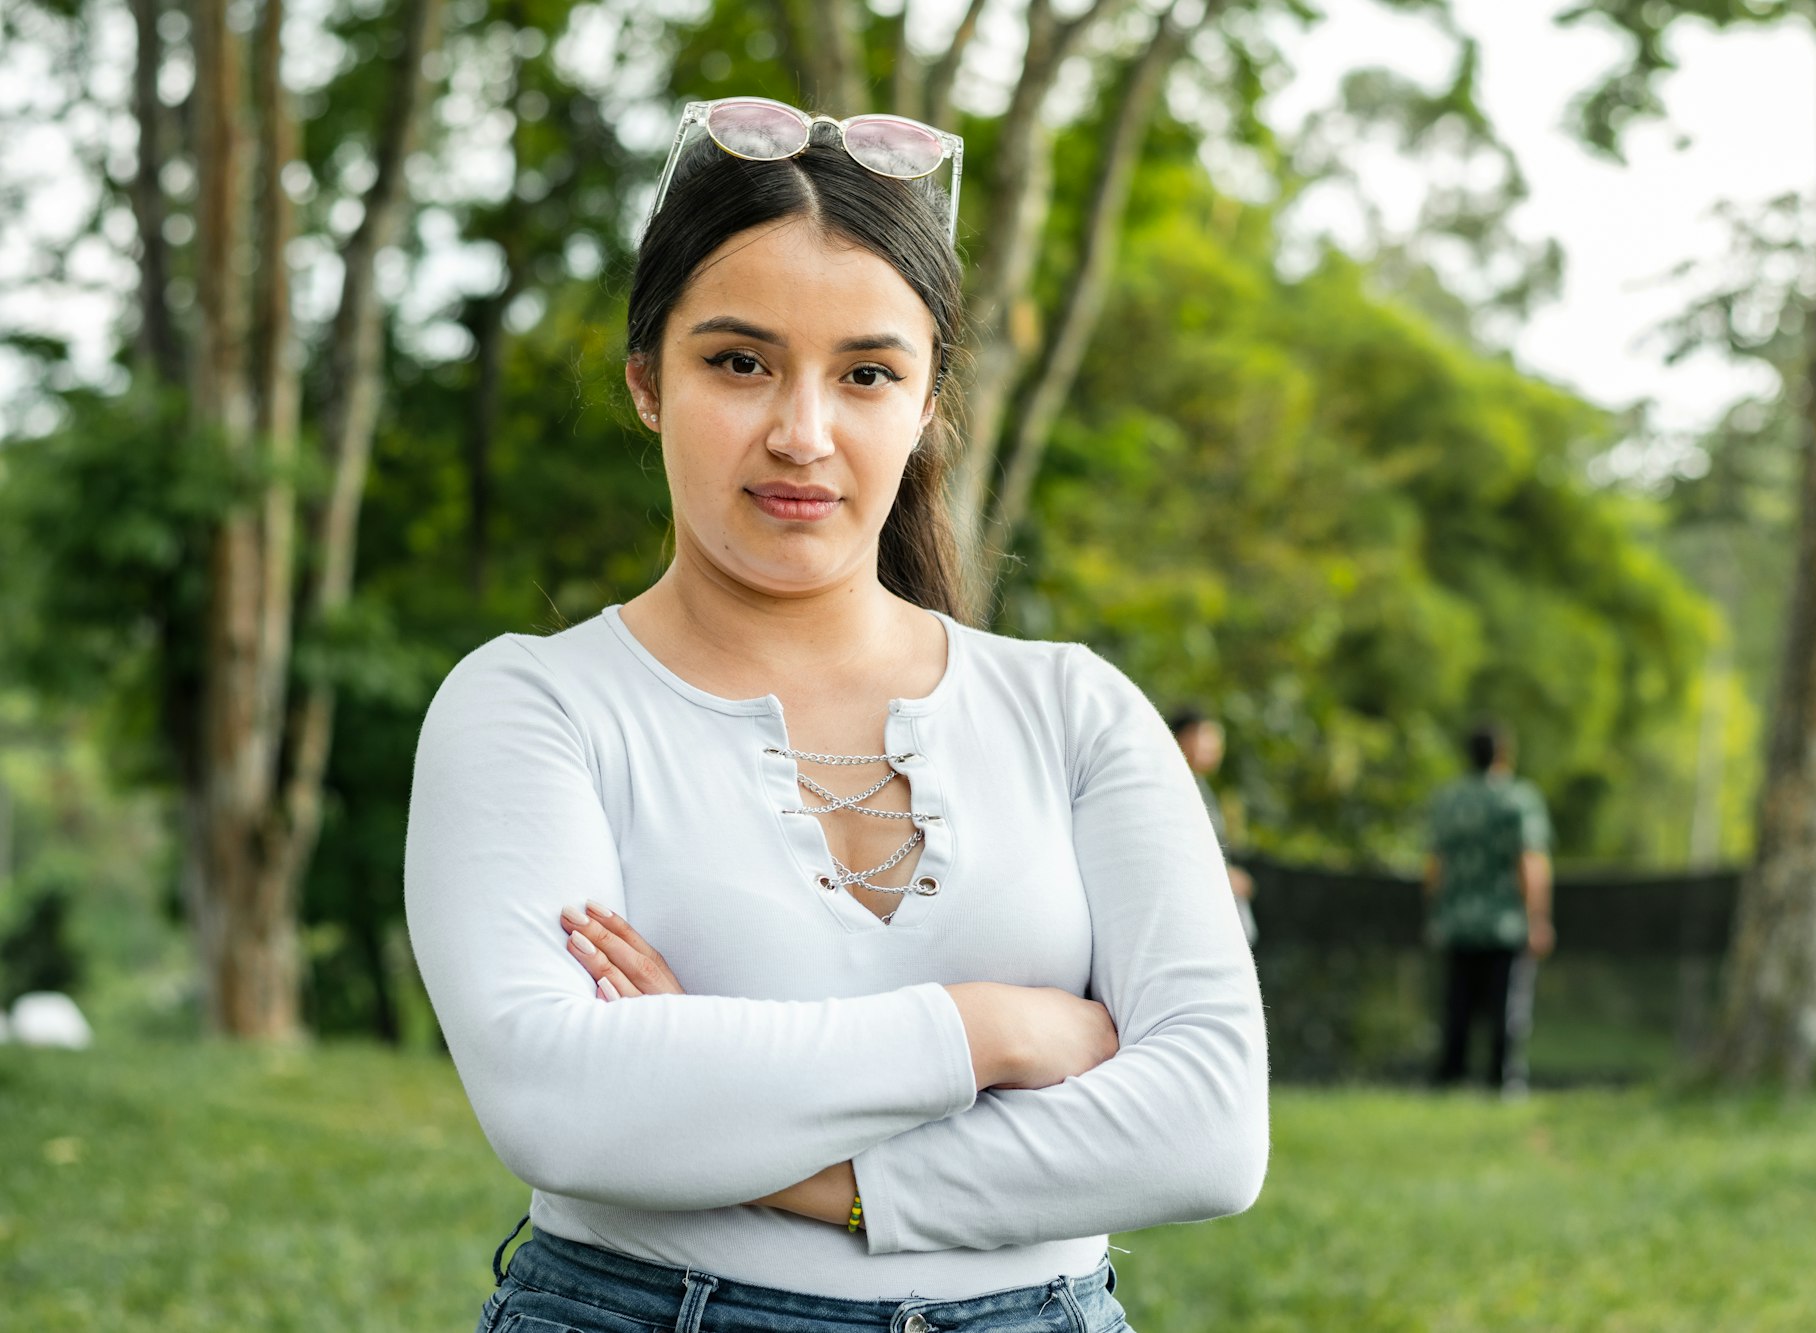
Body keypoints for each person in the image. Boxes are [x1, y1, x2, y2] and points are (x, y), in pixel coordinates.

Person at [404, 95, 1267, 1333]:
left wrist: (792, 1157)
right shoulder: (534, 705)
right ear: (648, 379)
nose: (800, 434)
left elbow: (1206, 1132)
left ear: (924, 407)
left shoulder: (1074, 709)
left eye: (866, 373)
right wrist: (992, 1031)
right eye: (738, 362)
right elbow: (563, 1104)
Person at [1422, 721, 1553, 1093]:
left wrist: (1435, 913)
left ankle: (1450, 1076)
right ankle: (1504, 1080)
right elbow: (1530, 864)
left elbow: (1435, 866)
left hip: (1457, 921)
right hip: (1504, 923)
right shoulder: (1517, 799)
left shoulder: (1449, 800)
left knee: (1456, 1005)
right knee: (1507, 1007)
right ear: (1503, 754)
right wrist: (1538, 919)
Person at [1168, 708, 1257, 946]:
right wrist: (1222, 877)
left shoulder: (1202, 787)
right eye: (1205, 736)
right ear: (1179, 737)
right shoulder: (1172, 785)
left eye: (1217, 738)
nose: (1214, 746)